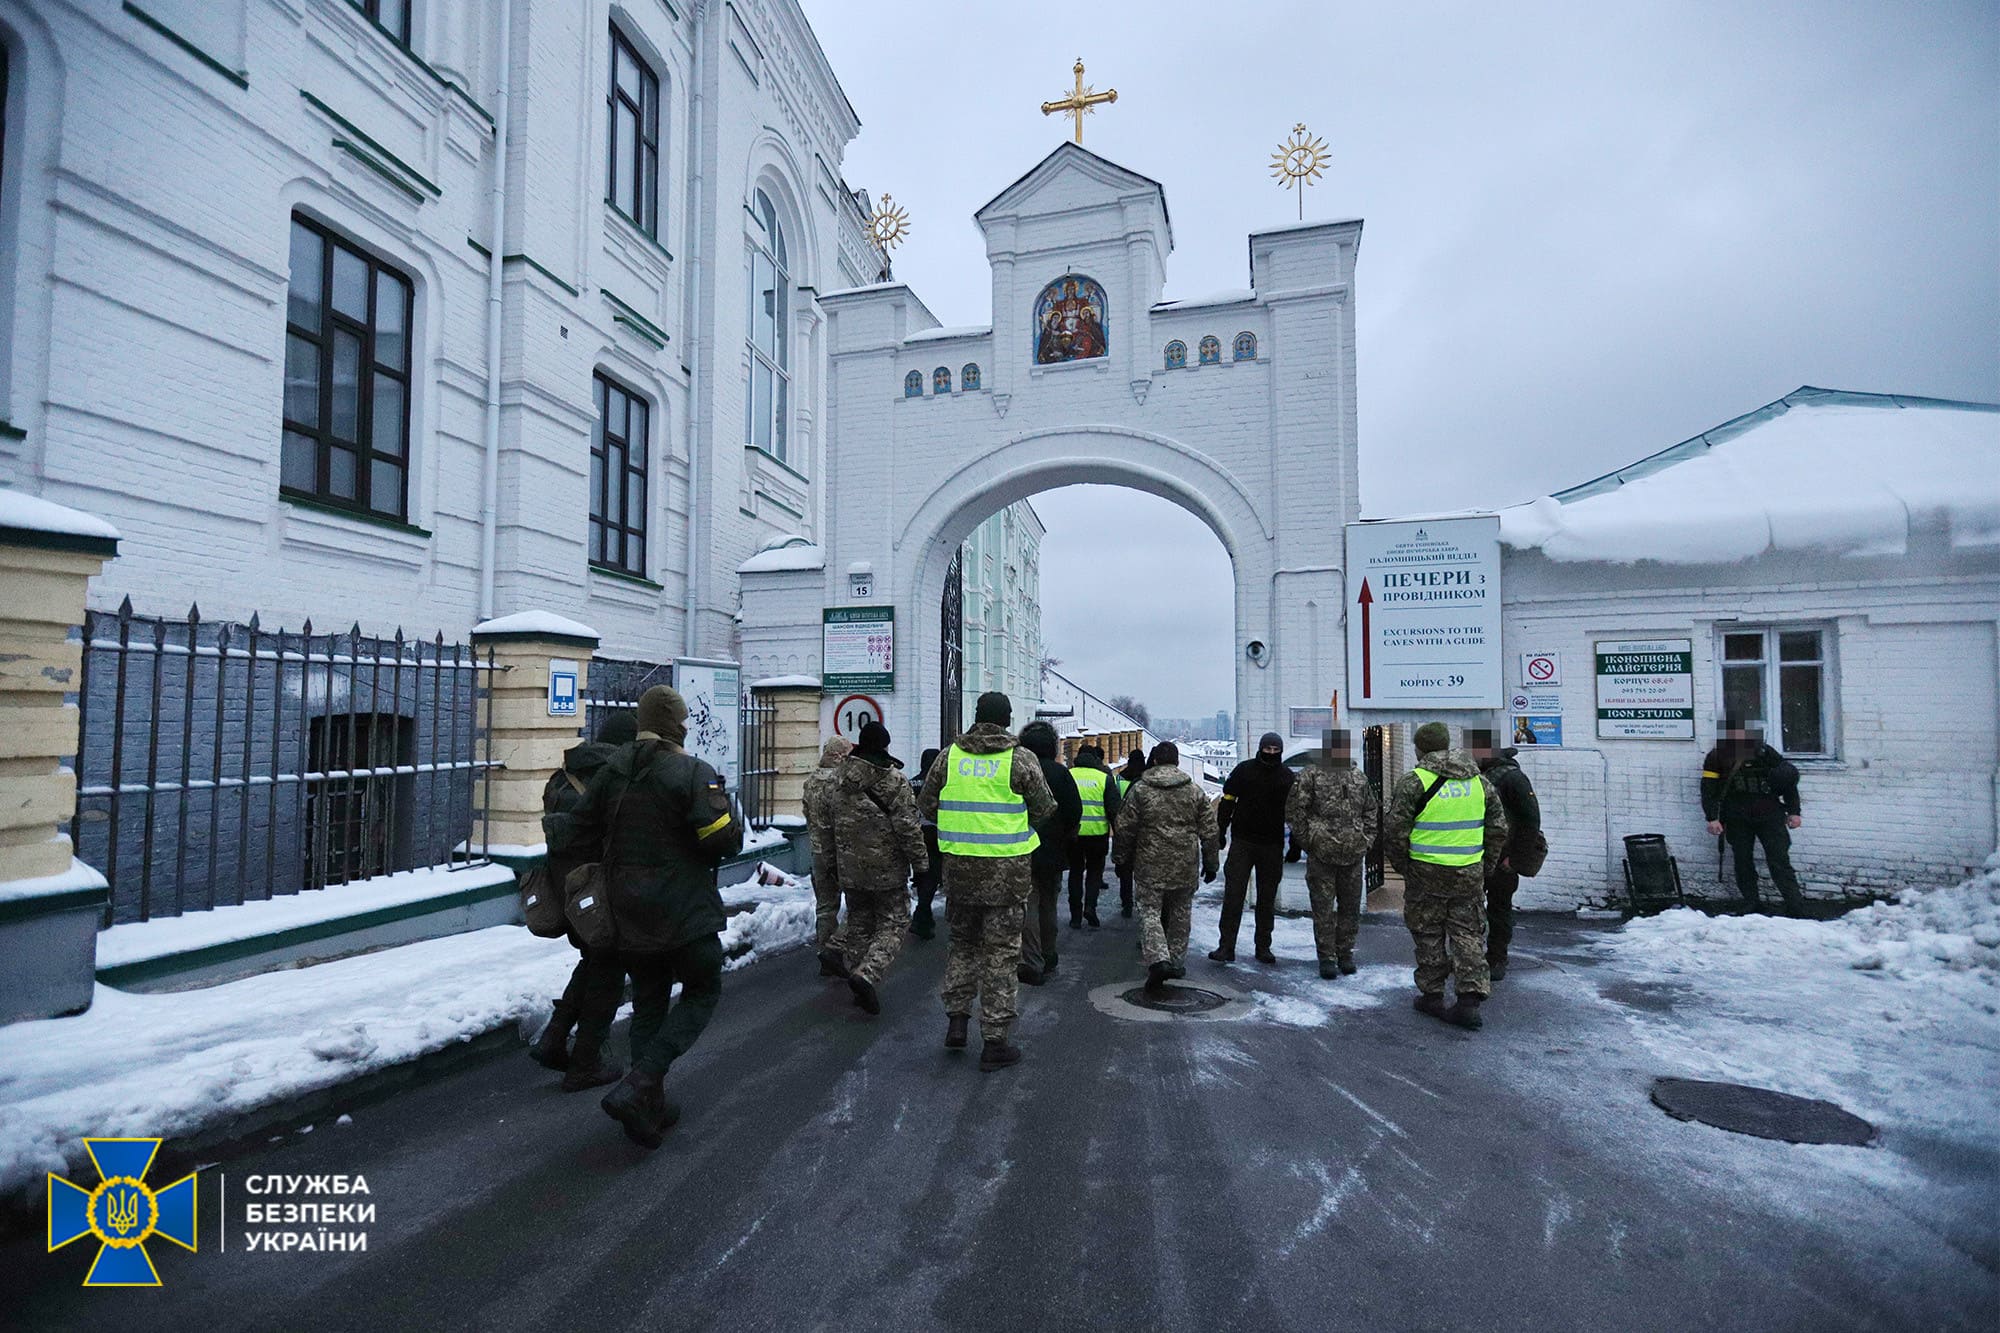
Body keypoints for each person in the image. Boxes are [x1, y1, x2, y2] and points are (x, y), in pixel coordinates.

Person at [567, 685, 744, 1146]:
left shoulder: (611, 772)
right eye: (683, 720)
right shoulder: (690, 773)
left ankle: (650, 1107)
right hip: (683, 911)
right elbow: (721, 841)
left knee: (649, 1000)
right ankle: (642, 1080)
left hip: (629, 911)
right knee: (703, 989)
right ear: (675, 725)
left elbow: (578, 829)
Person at [918, 692, 1056, 1072]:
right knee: (1000, 954)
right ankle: (995, 1041)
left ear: (976, 717)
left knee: (962, 945)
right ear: (1008, 720)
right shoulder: (1021, 758)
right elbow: (1044, 807)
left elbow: (927, 805)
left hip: (960, 872)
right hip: (1006, 876)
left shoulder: (950, 756)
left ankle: (957, 1022)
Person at [533, 707, 638, 1091]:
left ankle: (554, 1038)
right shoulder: (614, 778)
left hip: (568, 892)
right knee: (608, 972)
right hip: (601, 893)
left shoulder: (563, 776)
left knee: (591, 962)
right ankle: (586, 1062)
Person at [1386, 721, 1508, 1031]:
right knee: (1467, 933)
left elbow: (1395, 831)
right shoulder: (1479, 782)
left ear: (1419, 748)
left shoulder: (1415, 781)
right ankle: (1469, 1001)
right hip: (1468, 872)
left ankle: (1432, 994)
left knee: (1428, 932)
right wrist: (1485, 866)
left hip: (1426, 873)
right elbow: (1497, 829)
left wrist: (1404, 867)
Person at [826, 721, 928, 1015]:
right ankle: (867, 974)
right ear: (884, 747)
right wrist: (921, 865)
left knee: (859, 921)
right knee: (894, 922)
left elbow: (829, 820)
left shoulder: (837, 778)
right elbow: (908, 829)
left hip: (850, 867)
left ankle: (857, 974)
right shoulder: (894, 782)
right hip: (886, 869)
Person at [1115, 742, 1219, 993]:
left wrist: (1120, 858)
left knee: (1150, 911)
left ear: (1153, 762)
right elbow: (1210, 830)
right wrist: (1211, 863)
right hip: (1185, 863)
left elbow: (1124, 827)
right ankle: (1177, 962)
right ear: (1177, 762)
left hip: (1150, 863)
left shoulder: (1140, 790)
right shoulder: (1194, 791)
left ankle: (1158, 959)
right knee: (1181, 912)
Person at [1284, 728, 1378, 980]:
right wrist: (1309, 841)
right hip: (1322, 855)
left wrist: (1366, 841)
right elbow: (1295, 812)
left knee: (1350, 909)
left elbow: (1371, 811)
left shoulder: (1358, 778)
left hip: (1353, 855)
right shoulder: (1310, 776)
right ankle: (1326, 957)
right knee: (1323, 910)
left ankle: (1345, 954)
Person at [1701, 719, 1805, 916]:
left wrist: (1794, 812)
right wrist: (1712, 817)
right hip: (1737, 816)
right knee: (1743, 861)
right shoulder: (1716, 757)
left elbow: (1788, 781)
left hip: (1770, 814)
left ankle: (1795, 905)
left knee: (1779, 860)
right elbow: (1709, 790)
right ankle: (1751, 903)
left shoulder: (1765, 753)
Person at [1210, 732, 1296, 965]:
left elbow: (1295, 813)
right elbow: (1227, 801)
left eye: (1274, 749)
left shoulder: (1287, 778)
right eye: (1266, 749)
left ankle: (1263, 947)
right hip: (1243, 843)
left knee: (1267, 900)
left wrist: (1295, 844)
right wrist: (1220, 831)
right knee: (1233, 896)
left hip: (1272, 845)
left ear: (1280, 751)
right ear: (1260, 749)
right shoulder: (1244, 771)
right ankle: (1226, 946)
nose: (1270, 753)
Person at [1465, 727, 1542, 980]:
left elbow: (1531, 820)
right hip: (1479, 855)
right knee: (1472, 910)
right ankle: (1473, 957)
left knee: (1499, 910)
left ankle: (1497, 958)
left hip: (1503, 859)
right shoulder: (1480, 774)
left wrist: (1516, 859)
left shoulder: (1512, 778)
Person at [1017, 722, 1080, 985]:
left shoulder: (1018, 771)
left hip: (1022, 847)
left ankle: (1031, 961)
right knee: (1049, 903)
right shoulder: (1061, 773)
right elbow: (1074, 811)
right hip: (1054, 849)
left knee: (1029, 904)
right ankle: (1049, 952)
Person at [803, 735, 854, 977]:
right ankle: (840, 949)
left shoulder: (811, 780)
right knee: (859, 905)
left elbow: (807, 813)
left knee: (825, 907)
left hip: (817, 852)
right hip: (841, 851)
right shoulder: (841, 781)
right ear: (840, 756)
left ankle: (825, 955)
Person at [1066, 744, 1122, 929]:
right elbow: (1114, 810)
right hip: (1098, 835)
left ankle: (1075, 915)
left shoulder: (1069, 775)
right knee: (1094, 873)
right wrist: (1119, 838)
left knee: (1075, 873)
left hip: (1073, 834)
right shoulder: (1104, 778)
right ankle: (1090, 907)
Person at [909, 747, 944, 940]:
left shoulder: (911, 782)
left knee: (922, 874)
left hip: (916, 833)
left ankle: (924, 916)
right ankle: (922, 914)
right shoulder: (940, 784)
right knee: (933, 874)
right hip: (936, 833)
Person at [1114, 749, 1147, 918]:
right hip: (1144, 834)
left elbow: (1115, 801)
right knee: (1143, 873)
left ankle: (1126, 904)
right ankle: (1142, 903)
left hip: (1125, 828)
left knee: (1125, 871)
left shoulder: (1119, 778)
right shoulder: (1146, 779)